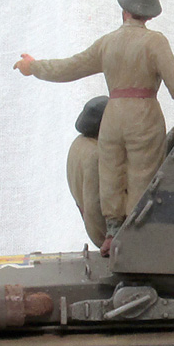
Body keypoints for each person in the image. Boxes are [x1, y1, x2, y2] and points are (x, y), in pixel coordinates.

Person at [15, 0, 174, 255]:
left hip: (112, 117)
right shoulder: (155, 42)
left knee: (111, 172)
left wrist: (33, 66)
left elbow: (70, 67)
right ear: (150, 15)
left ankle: (112, 232)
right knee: (142, 172)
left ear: (125, 11)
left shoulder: (107, 43)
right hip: (144, 116)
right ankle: (135, 235)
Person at [67, 96, 108, 246]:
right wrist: (110, 237)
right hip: (102, 234)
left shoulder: (78, 143)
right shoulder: (95, 156)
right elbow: (94, 207)